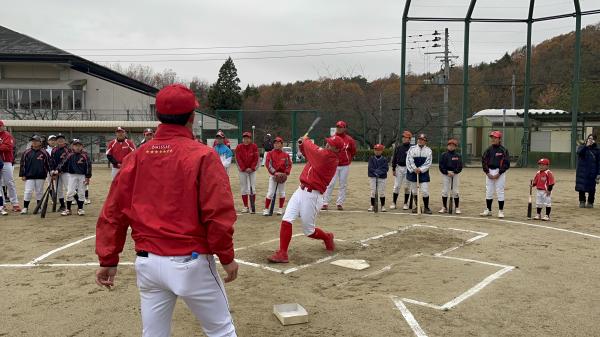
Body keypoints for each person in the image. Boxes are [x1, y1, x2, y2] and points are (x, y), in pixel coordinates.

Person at [95, 84, 238, 337]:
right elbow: (218, 213)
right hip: (190, 260)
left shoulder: (137, 156)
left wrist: (108, 258)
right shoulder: (203, 155)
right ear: (192, 117)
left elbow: (113, 212)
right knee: (221, 331)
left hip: (148, 263)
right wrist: (226, 257)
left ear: (158, 115)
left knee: (153, 334)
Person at [267, 135, 341, 263]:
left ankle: (327, 237)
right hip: (300, 190)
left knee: (309, 231)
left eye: (331, 145)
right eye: (328, 143)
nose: (327, 145)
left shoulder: (329, 158)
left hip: (313, 196)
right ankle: (283, 253)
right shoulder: (321, 155)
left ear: (337, 150)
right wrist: (302, 145)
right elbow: (308, 154)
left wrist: (305, 140)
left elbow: (312, 149)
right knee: (287, 219)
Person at [322, 120, 357, 211]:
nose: (339, 128)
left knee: (343, 184)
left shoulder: (349, 139)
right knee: (330, 183)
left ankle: (340, 203)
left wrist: (348, 159)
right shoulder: (333, 138)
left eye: (341, 127)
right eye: (337, 127)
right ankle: (325, 202)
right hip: (334, 164)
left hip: (344, 165)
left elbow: (353, 151)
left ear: (345, 128)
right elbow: (327, 150)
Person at [56, 139, 92, 216]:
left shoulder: (85, 155)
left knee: (81, 192)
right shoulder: (69, 155)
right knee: (70, 192)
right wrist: (57, 170)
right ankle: (68, 209)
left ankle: (80, 209)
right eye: (76, 146)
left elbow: (88, 167)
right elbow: (63, 163)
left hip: (82, 176)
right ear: (73, 146)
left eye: (79, 146)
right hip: (71, 176)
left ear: (82, 146)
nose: (77, 147)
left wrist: (88, 177)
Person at [18, 135, 51, 214]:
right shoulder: (26, 152)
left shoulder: (44, 152)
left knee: (39, 192)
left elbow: (49, 164)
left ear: (40, 142)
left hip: (41, 176)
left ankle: (39, 207)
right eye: (33, 141)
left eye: (36, 141)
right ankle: (25, 207)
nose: (34, 142)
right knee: (28, 191)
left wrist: (52, 172)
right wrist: (23, 174)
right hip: (29, 176)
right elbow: (22, 164)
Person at [480, 130, 510, 218]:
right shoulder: (488, 150)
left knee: (500, 191)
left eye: (495, 137)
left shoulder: (503, 150)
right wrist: (487, 172)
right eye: (492, 137)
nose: (493, 139)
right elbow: (484, 161)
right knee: (489, 191)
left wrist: (499, 173)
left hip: (499, 172)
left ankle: (501, 211)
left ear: (499, 139)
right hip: (489, 171)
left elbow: (506, 163)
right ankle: (488, 210)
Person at [262, 136, 292, 216]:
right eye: (275, 143)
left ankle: (280, 209)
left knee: (282, 193)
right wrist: (275, 173)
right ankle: (266, 209)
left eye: (278, 143)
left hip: (282, 176)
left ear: (281, 145)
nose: (276, 144)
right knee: (270, 193)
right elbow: (268, 164)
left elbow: (288, 165)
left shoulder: (285, 155)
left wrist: (286, 173)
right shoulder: (270, 153)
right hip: (273, 175)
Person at [406, 133, 433, 214]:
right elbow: (408, 160)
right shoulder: (412, 149)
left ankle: (426, 207)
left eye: (422, 140)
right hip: (413, 172)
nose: (420, 141)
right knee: (414, 191)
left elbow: (428, 163)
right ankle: (418, 206)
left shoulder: (428, 150)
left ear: (425, 142)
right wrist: (414, 169)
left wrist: (420, 169)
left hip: (423, 173)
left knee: (425, 191)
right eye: (419, 139)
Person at [235, 131, 259, 213]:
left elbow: (256, 158)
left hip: (252, 171)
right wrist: (244, 168)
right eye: (245, 138)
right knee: (243, 188)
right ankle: (246, 206)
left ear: (250, 139)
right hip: (242, 171)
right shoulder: (239, 147)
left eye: (248, 138)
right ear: (243, 139)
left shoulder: (254, 146)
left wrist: (252, 168)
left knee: (253, 188)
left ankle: (252, 206)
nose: (246, 140)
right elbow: (238, 159)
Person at [438, 138, 463, 214]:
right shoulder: (444, 155)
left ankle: (457, 207)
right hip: (446, 174)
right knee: (445, 191)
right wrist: (446, 172)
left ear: (455, 147)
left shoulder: (458, 155)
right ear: (447, 146)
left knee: (455, 191)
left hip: (455, 174)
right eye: (450, 145)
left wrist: (455, 172)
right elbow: (441, 166)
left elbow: (460, 166)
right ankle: (444, 207)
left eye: (453, 145)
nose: (451, 147)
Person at [576, 134, 600, 208]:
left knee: (592, 188)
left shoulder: (597, 150)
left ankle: (590, 202)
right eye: (589, 138)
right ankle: (582, 201)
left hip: (592, 172)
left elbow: (599, 163)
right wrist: (586, 146)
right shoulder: (582, 147)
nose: (590, 140)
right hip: (582, 171)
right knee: (581, 187)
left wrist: (599, 173)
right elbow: (579, 152)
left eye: (592, 139)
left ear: (595, 140)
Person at [0, 120, 19, 212]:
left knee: (9, 182)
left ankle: (15, 203)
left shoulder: (7, 135)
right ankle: (2, 204)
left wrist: (2, 146)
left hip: (6, 162)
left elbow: (7, 147)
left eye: (1, 126)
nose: (0, 128)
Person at [391, 130, 413, 210]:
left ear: (409, 139)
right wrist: (393, 168)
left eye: (406, 137)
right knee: (396, 186)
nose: (404, 138)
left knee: (407, 187)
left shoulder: (412, 148)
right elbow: (394, 158)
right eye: (403, 137)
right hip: (399, 168)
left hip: (408, 169)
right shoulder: (398, 147)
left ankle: (405, 203)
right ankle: (393, 202)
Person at [368, 144, 389, 212]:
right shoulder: (371, 158)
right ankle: (372, 205)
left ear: (381, 151)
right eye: (375, 149)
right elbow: (370, 168)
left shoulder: (384, 159)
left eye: (378, 150)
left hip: (382, 177)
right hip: (373, 177)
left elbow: (385, 168)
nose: (377, 151)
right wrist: (375, 172)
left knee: (382, 192)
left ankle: (383, 206)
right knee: (373, 191)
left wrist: (378, 172)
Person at [51, 134, 70, 212]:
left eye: (62, 139)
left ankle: (75, 204)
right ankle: (62, 205)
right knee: (58, 189)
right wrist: (53, 171)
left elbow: (65, 161)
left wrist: (58, 170)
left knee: (68, 188)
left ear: (64, 141)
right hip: (56, 172)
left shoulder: (68, 150)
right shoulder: (54, 150)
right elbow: (51, 161)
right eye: (58, 139)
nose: (60, 141)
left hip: (66, 172)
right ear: (56, 141)